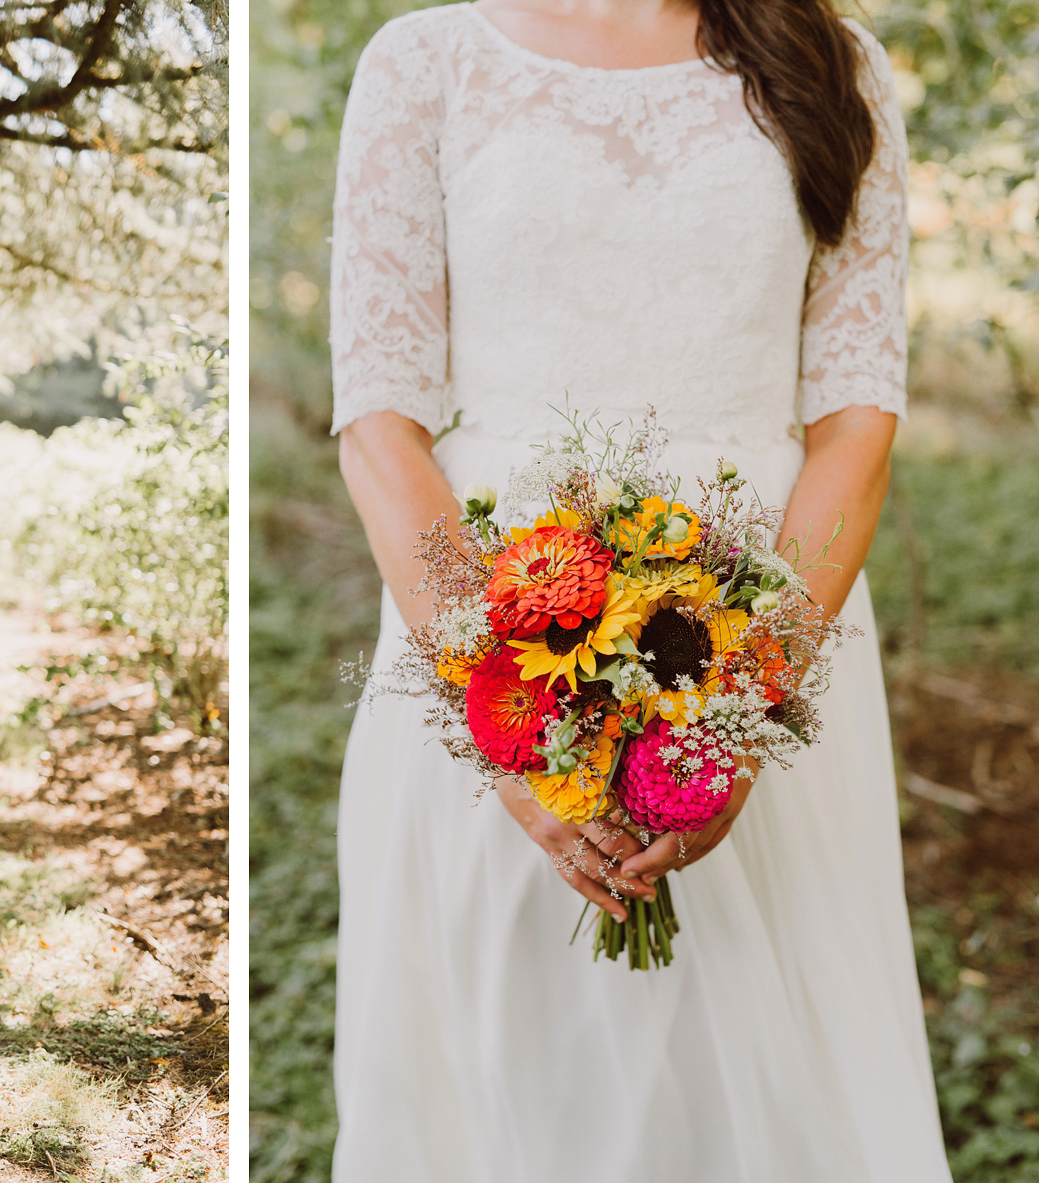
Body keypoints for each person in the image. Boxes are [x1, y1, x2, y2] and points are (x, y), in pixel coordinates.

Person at [330, 1, 952, 1178]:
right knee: (515, 1067)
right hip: (488, 620)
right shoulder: (425, 60)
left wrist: (739, 718)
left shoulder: (832, 61)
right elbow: (377, 422)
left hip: (771, 611)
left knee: (773, 1089)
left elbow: (855, 424)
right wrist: (505, 721)